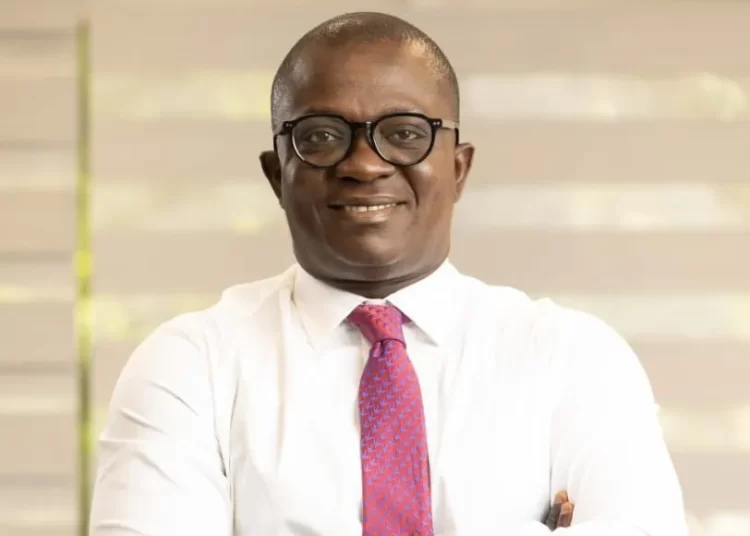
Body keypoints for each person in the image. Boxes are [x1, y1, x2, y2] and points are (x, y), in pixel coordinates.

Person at [88, 11, 687, 536]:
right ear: (277, 175)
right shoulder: (190, 365)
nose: (364, 164)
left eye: (404, 134)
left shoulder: (572, 356)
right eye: (322, 136)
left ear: (458, 169)